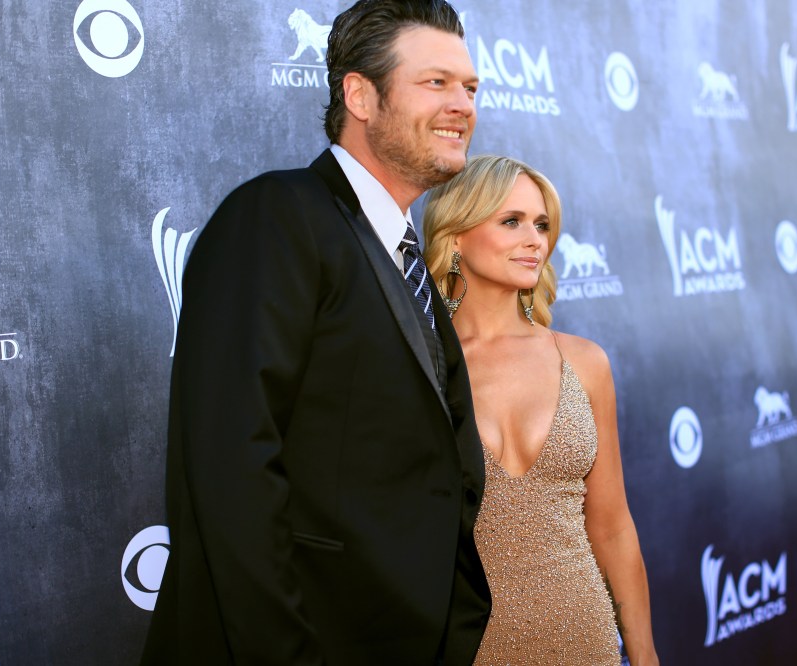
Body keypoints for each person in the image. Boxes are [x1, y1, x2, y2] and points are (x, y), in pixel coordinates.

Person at [141, 2, 491, 664]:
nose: (462, 105)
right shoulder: (276, 217)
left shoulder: (405, 255)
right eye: (435, 83)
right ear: (359, 95)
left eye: (469, 88)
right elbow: (232, 466)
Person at [422, 155, 659, 666]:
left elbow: (613, 526)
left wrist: (642, 652)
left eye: (543, 224)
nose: (536, 240)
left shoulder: (583, 361)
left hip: (583, 637)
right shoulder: (420, 367)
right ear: (456, 236)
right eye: (512, 222)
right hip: (461, 646)